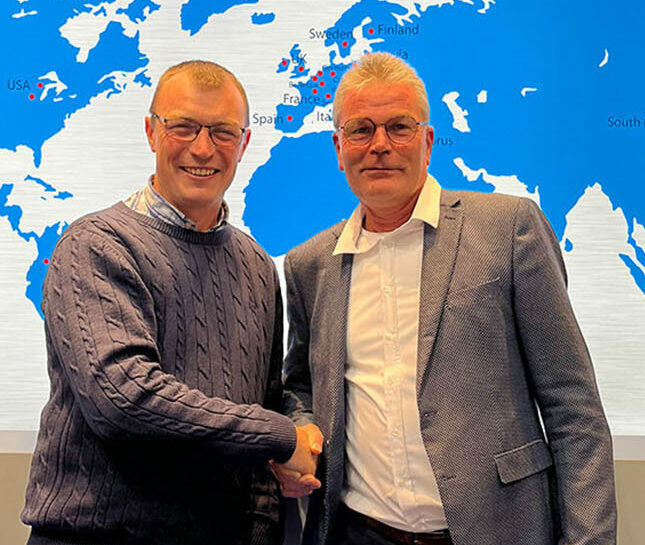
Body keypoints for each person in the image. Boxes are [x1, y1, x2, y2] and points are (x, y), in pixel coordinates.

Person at [274, 52, 616, 545]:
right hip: (357, 534)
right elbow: (300, 386)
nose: (380, 145)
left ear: (428, 141)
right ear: (338, 147)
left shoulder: (508, 229)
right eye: (361, 130)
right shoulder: (309, 264)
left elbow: (573, 408)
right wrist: (301, 428)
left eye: (399, 127)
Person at [21, 60, 322, 545]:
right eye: (183, 126)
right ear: (151, 132)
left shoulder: (257, 265)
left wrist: (265, 522)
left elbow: (264, 402)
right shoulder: (97, 245)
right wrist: (283, 437)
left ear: (244, 143)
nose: (202, 148)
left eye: (223, 132)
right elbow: (124, 400)